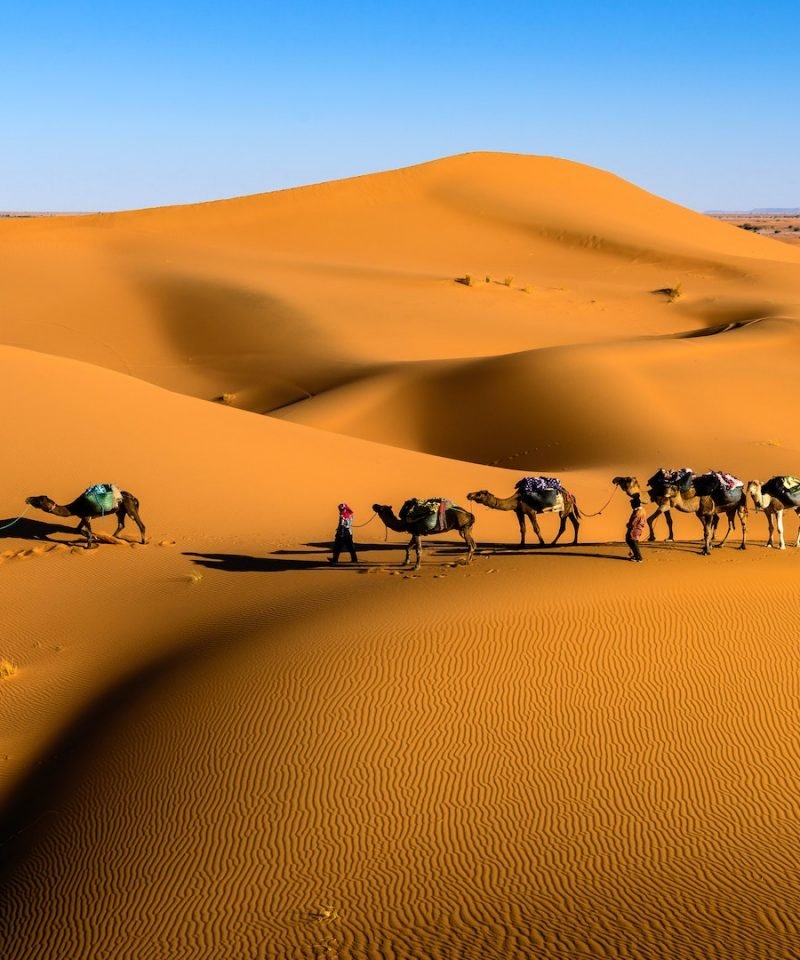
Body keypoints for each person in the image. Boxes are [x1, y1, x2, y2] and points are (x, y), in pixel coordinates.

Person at [626, 494, 646, 562]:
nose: (631, 505)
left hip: (635, 529)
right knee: (632, 541)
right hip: (638, 528)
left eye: (632, 504)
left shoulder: (638, 512)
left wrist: (628, 525)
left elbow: (633, 522)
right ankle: (636, 555)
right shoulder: (642, 510)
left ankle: (639, 557)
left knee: (632, 541)